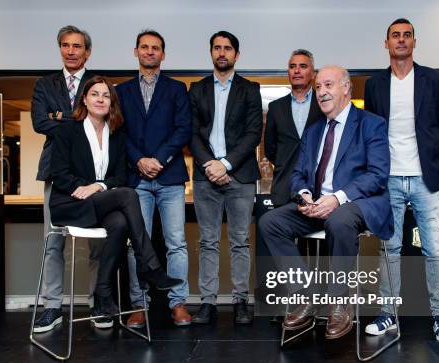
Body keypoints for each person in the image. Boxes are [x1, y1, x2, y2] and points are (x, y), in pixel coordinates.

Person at [259, 66, 393, 340]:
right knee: (270, 221)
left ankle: (339, 301)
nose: (321, 92)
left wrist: (337, 198)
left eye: (328, 85)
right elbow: (298, 174)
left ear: (346, 88)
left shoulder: (371, 123)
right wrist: (305, 195)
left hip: (356, 203)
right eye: (318, 87)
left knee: (339, 219)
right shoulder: (314, 130)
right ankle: (304, 295)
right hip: (317, 204)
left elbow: (377, 175)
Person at [48, 75, 183, 328]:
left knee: (120, 222)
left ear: (112, 103)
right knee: (129, 194)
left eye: (106, 95)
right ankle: (149, 265)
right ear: (85, 100)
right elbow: (59, 173)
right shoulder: (67, 129)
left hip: (99, 201)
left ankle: (103, 292)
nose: (100, 99)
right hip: (71, 203)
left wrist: (97, 186)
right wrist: (84, 187)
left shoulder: (116, 134)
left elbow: (119, 175)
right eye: (95, 94)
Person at [364, 18, 439, 343]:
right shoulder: (375, 85)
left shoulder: (434, 79)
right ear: (386, 43)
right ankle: (388, 314)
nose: (401, 40)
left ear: (414, 42)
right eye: (395, 36)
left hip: (425, 178)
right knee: (389, 249)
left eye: (406, 36)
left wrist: (427, 153)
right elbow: (372, 132)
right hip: (388, 179)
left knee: (434, 249)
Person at [116, 30, 192, 328]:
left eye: (156, 48)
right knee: (138, 243)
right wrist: (139, 160)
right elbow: (118, 131)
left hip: (170, 176)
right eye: (145, 47)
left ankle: (178, 304)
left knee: (176, 243)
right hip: (136, 179)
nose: (150, 52)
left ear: (163, 54)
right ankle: (139, 305)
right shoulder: (120, 91)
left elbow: (183, 129)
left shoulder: (177, 89)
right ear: (136, 52)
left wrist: (159, 159)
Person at [189, 31, 263, 325]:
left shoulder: (250, 89)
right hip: (206, 176)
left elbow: (252, 134)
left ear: (236, 54)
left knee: (240, 241)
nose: (222, 53)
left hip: (240, 176)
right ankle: (207, 303)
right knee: (207, 241)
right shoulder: (196, 89)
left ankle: (240, 301)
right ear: (211, 53)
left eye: (227, 48)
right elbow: (191, 132)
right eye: (217, 48)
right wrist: (210, 164)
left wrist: (227, 164)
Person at [31, 25, 98, 333]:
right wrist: (76, 120)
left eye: (77, 46)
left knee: (99, 241)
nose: (71, 51)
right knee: (52, 240)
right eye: (66, 45)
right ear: (60, 48)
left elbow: (103, 121)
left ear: (87, 52)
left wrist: (61, 116)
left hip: (92, 173)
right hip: (54, 171)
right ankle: (52, 306)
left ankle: (100, 301)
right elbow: (39, 122)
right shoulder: (45, 84)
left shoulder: (97, 84)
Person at [264, 49, 324, 207]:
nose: (297, 71)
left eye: (303, 66)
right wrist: (284, 162)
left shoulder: (324, 105)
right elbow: (270, 149)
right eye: (292, 66)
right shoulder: (275, 107)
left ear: (313, 73)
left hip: (319, 190)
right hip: (284, 187)